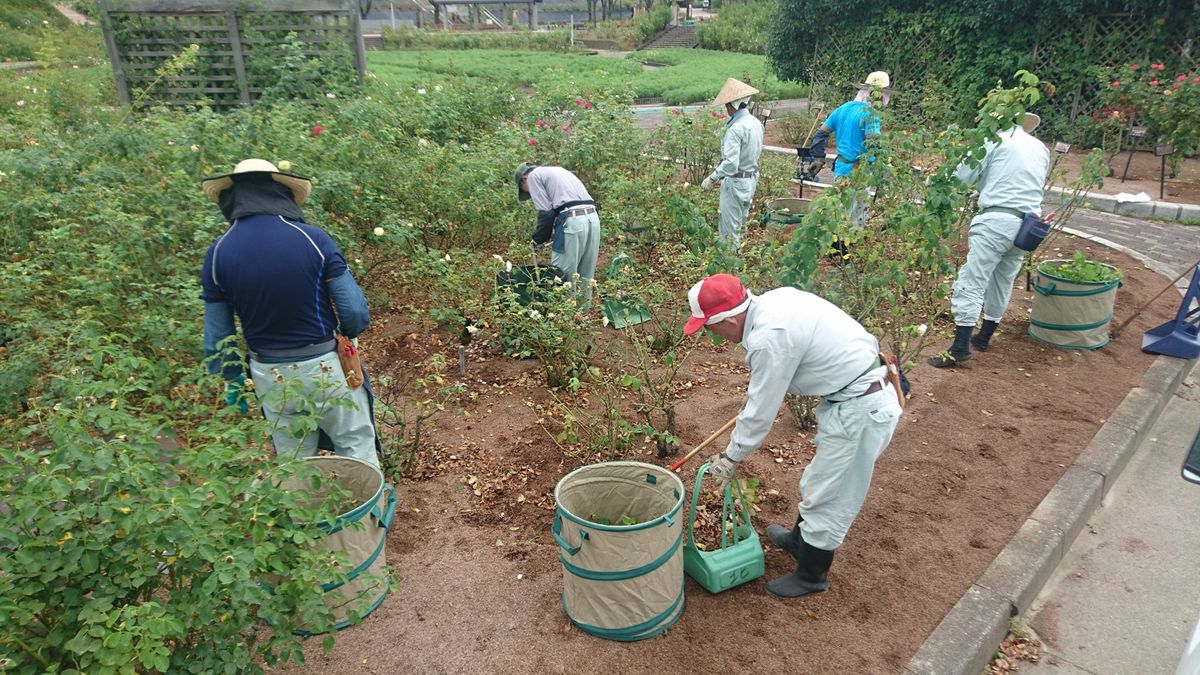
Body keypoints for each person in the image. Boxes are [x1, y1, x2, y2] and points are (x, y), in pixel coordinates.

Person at [684, 274, 902, 598]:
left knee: (833, 492)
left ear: (729, 319)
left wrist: (730, 457)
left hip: (862, 408)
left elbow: (759, 414)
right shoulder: (775, 301)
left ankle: (812, 574)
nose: (708, 334)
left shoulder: (770, 337)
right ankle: (800, 542)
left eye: (708, 326)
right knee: (818, 480)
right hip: (855, 392)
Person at [200, 158, 379, 467]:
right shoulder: (313, 239)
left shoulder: (217, 254)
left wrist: (232, 379)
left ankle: (305, 516)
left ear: (233, 199)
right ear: (280, 193)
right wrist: (347, 338)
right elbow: (355, 312)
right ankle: (365, 515)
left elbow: (218, 335)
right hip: (324, 365)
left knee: (294, 460)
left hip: (268, 373)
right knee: (355, 445)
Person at [929, 112, 1050, 368]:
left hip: (996, 220)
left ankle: (960, 346)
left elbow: (961, 177)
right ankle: (983, 337)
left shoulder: (991, 140)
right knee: (1003, 280)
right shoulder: (1040, 148)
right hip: (1028, 225)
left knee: (972, 279)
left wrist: (935, 181)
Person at [801, 71, 893, 226]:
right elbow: (873, 145)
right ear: (879, 95)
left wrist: (818, 158)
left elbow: (820, 134)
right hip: (860, 171)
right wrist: (884, 165)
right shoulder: (871, 115)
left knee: (839, 209)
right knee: (855, 217)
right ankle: (847, 247)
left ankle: (835, 246)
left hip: (842, 168)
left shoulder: (843, 108)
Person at [514, 162, 600, 306]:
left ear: (524, 178)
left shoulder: (533, 176)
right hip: (593, 219)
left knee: (561, 276)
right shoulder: (558, 171)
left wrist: (537, 241)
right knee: (586, 276)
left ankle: (563, 321)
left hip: (572, 221)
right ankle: (581, 320)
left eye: (525, 190)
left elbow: (546, 213)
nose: (529, 193)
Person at [701, 78, 764, 250]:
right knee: (741, 225)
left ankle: (730, 269)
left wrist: (712, 178)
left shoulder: (736, 129)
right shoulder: (756, 123)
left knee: (728, 230)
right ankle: (740, 262)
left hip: (735, 182)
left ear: (732, 105)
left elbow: (730, 164)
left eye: (727, 105)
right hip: (750, 179)